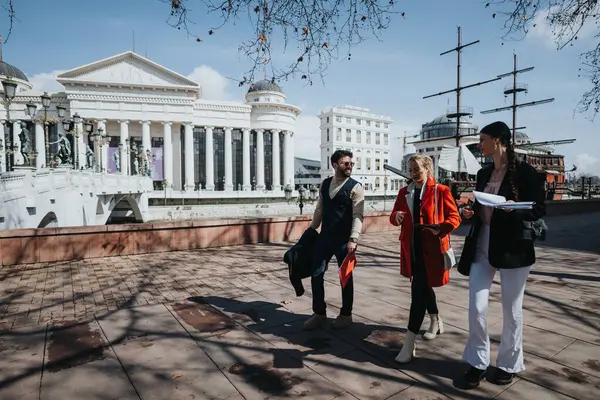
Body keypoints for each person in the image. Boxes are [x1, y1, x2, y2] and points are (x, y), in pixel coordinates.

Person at [460, 121, 546, 389]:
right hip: (482, 245)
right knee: (476, 307)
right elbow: (480, 204)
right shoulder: (484, 173)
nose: (479, 144)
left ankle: (508, 364)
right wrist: (470, 211)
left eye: (482, 139)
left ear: (498, 141)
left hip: (513, 249)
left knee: (511, 310)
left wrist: (514, 208)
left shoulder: (525, 173)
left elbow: (539, 209)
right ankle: (477, 362)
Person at [389, 154, 461, 363]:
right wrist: (398, 217)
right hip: (412, 250)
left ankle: (409, 343)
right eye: (410, 170)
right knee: (423, 286)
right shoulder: (405, 192)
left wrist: (440, 228)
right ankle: (436, 320)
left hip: (432, 250)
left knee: (418, 292)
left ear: (428, 169)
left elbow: (454, 218)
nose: (413, 174)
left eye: (417, 170)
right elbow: (393, 216)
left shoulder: (441, 191)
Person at [304, 149, 365, 330]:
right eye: (345, 163)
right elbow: (319, 210)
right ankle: (319, 313)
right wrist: (311, 230)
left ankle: (346, 315)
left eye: (351, 164)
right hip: (325, 238)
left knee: (345, 278)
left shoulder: (356, 187)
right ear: (335, 164)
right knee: (316, 274)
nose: (349, 167)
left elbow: (358, 216)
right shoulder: (325, 184)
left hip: (344, 242)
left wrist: (354, 239)